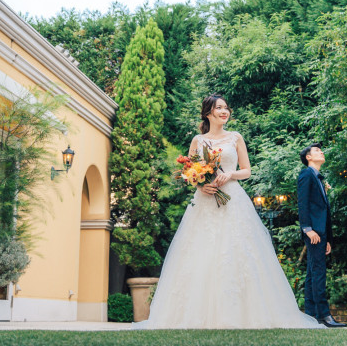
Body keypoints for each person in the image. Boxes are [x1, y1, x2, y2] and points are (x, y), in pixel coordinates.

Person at [137, 94, 322, 329]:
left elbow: (246, 170)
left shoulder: (236, 138)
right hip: (205, 201)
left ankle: (247, 314)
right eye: (219, 108)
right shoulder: (198, 140)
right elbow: (190, 172)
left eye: (226, 108)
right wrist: (201, 185)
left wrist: (229, 174)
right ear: (208, 113)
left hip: (232, 198)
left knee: (238, 250)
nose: (224, 111)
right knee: (200, 252)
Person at [297, 143, 347, 328]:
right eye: (317, 150)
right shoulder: (306, 174)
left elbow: (323, 210)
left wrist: (328, 239)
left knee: (312, 272)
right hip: (313, 232)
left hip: (321, 233)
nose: (321, 152)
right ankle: (324, 315)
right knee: (318, 273)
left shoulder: (318, 178)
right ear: (308, 157)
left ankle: (311, 315)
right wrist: (307, 229)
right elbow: (302, 203)